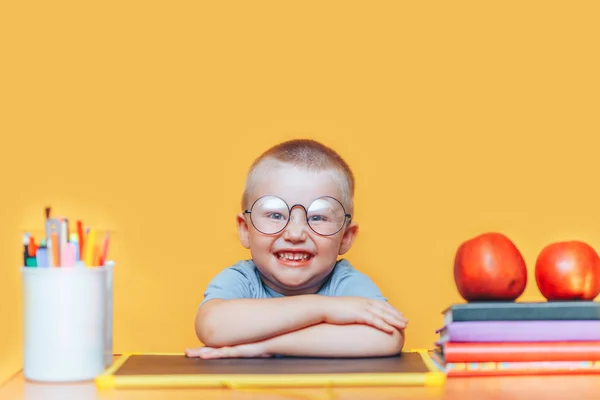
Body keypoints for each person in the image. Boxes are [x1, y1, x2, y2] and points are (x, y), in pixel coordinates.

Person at [185, 139, 407, 359]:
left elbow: (388, 336)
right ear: (245, 229)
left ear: (345, 238)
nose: (295, 234)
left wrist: (265, 346)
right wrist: (323, 308)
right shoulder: (242, 280)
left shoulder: (346, 282)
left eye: (317, 217)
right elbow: (212, 327)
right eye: (275, 215)